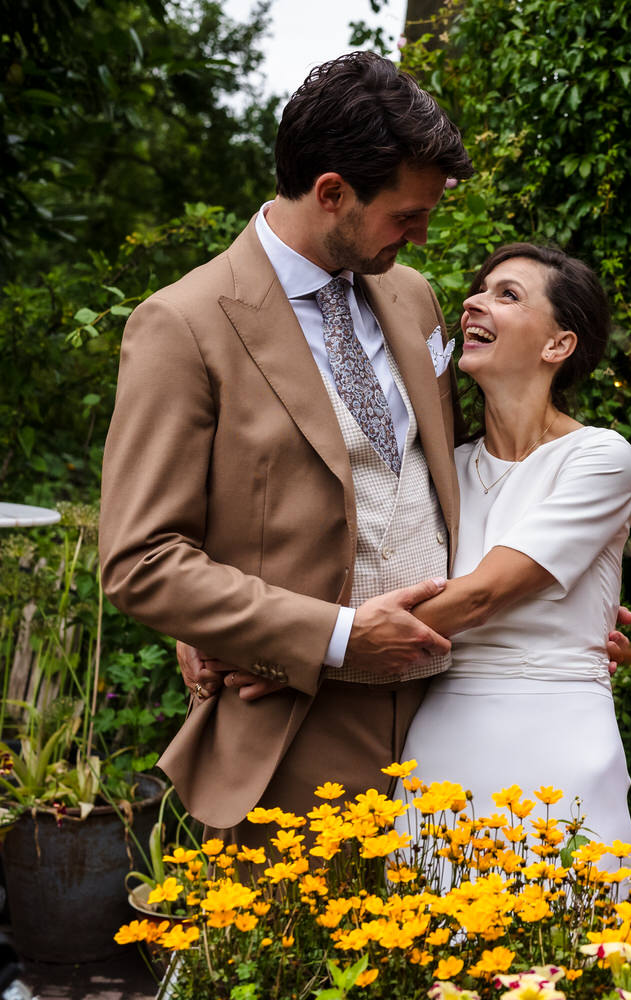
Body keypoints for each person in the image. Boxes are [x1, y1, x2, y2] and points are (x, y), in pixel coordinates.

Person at [99, 51, 477, 840]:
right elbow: (141, 557)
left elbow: (450, 482)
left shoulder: (413, 296)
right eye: (407, 215)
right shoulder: (184, 323)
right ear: (331, 192)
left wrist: (560, 599)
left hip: (461, 714)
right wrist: (335, 637)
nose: (420, 234)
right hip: (299, 731)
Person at [399, 243, 631, 855]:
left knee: (559, 941)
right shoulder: (440, 470)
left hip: (557, 743)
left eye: (508, 295)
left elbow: (479, 597)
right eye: (480, 290)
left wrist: (321, 644)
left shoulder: (599, 458)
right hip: (439, 745)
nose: (475, 301)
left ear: (557, 345)